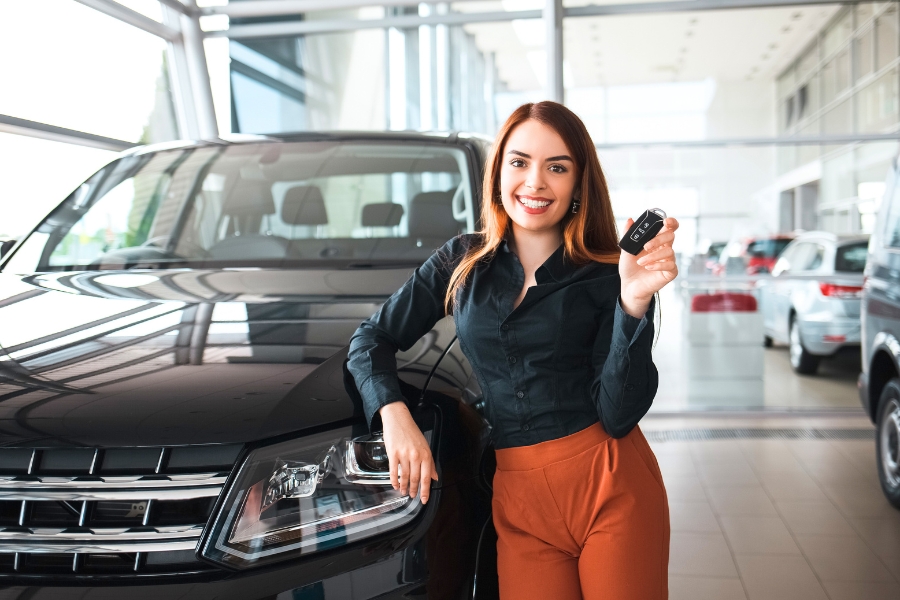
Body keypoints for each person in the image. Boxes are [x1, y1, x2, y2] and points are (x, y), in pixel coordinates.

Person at [347, 101, 676, 600]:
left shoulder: (610, 273)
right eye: (520, 162)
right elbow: (371, 339)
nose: (535, 182)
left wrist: (632, 303)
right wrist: (394, 416)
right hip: (519, 499)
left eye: (557, 168)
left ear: (579, 184)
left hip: (610, 484)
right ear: (499, 171)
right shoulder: (461, 262)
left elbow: (618, 414)